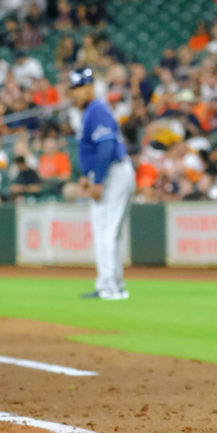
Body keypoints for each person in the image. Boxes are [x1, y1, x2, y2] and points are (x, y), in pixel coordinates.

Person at [69, 68, 135, 301]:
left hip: (112, 174)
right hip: (113, 172)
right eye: (75, 88)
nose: (77, 93)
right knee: (111, 232)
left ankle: (109, 287)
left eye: (82, 87)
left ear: (91, 88)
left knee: (105, 231)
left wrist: (97, 181)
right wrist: (86, 175)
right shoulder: (92, 111)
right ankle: (115, 284)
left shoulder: (96, 109)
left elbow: (106, 146)